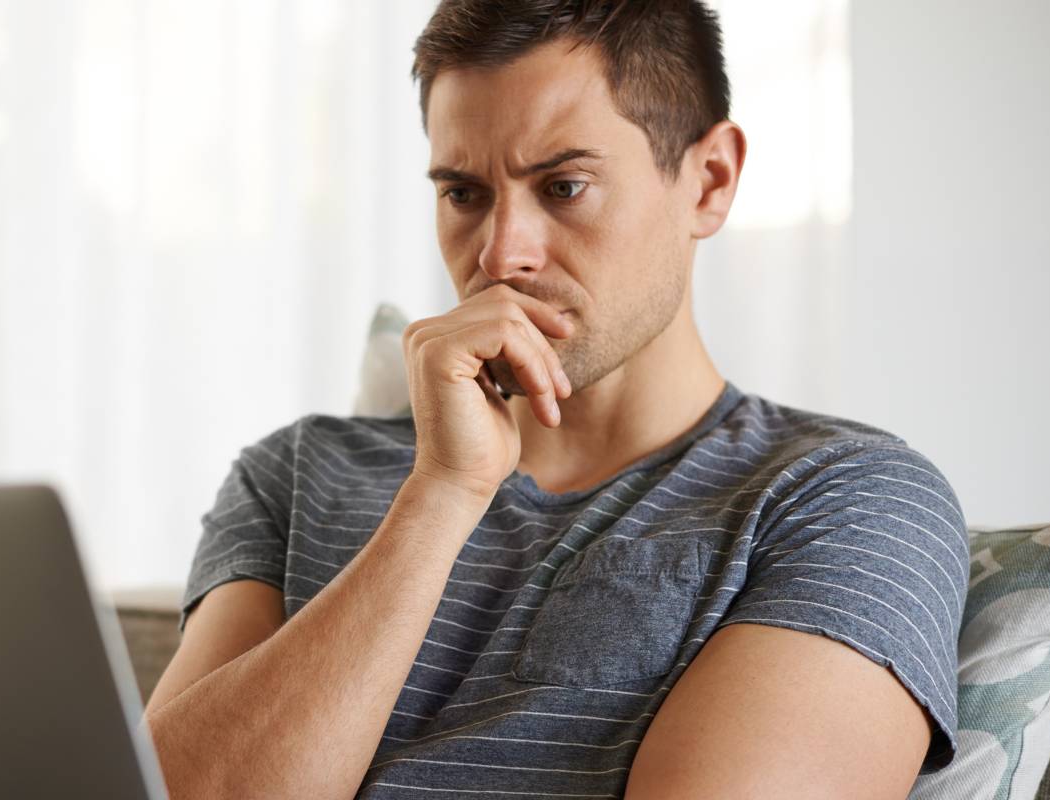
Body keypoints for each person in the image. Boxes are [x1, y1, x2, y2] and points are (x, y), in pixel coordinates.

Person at [140, 1, 969, 798]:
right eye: (463, 193)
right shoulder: (296, 473)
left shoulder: (849, 501)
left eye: (564, 186)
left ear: (709, 181)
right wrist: (442, 495)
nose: (502, 255)